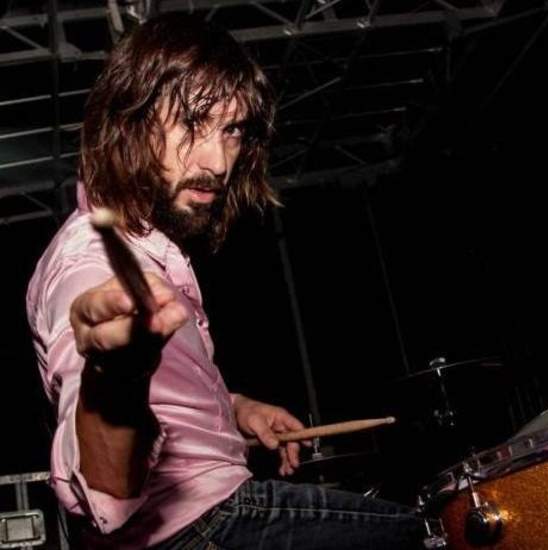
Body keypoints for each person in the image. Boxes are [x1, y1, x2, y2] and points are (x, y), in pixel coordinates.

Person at [26, 13, 426, 549]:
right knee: (428, 533)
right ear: (129, 123)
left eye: (232, 130)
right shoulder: (94, 263)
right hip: (197, 527)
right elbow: (105, 490)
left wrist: (235, 410)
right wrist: (112, 382)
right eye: (192, 123)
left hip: (203, 511)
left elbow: (167, 398)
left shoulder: (147, 243)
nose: (217, 161)